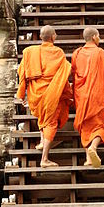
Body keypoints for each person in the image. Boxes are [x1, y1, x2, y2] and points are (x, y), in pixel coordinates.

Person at [17, 25, 73, 168]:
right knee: (51, 123)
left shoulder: (30, 52)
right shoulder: (58, 52)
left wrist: (22, 93)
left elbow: (22, 73)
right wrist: (68, 91)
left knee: (44, 117)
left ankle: (43, 141)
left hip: (36, 93)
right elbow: (62, 74)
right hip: (52, 93)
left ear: (42, 37)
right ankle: (45, 159)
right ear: (53, 37)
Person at [72, 27, 104, 168]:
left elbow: (74, 73)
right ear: (94, 37)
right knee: (99, 126)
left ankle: (88, 159)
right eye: (99, 36)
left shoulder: (76, 54)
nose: (99, 39)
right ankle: (93, 148)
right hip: (96, 95)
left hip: (81, 94)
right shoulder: (100, 53)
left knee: (84, 125)